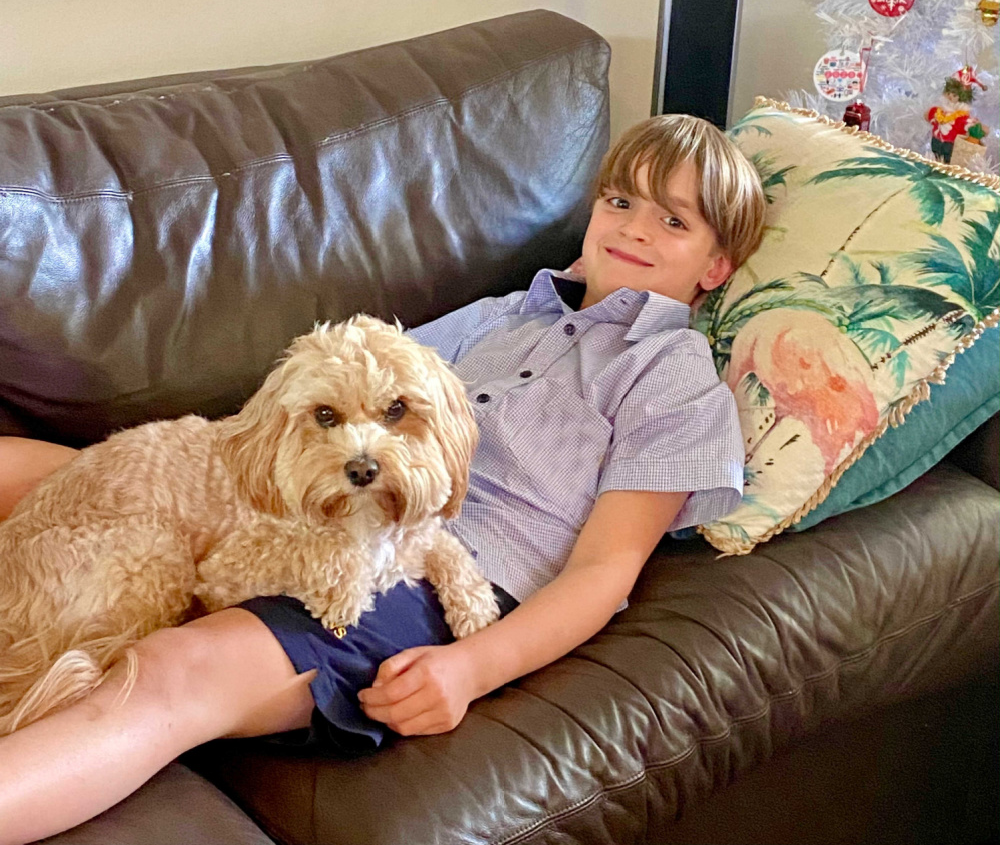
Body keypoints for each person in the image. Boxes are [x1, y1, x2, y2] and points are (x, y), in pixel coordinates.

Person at [0, 113, 766, 844]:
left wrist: (471, 667)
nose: (634, 227)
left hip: (431, 577)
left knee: (173, 669)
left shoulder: (673, 375)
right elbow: (347, 385)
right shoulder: (503, 313)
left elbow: (606, 570)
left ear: (718, 264)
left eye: (674, 220)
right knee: (52, 468)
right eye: (620, 200)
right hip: (324, 501)